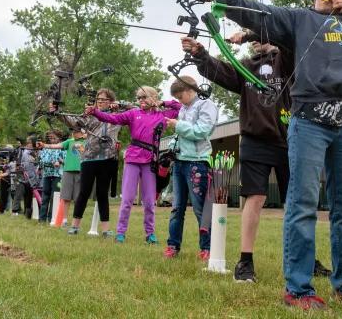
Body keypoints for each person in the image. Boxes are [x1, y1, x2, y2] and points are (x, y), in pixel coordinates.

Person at [207, 0, 342, 310]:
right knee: (303, 203)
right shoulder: (300, 20)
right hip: (309, 118)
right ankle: (298, 289)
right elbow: (259, 12)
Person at [180, 34, 330, 280]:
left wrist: (258, 31)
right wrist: (200, 54)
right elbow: (221, 70)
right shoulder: (246, 67)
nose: (254, 39)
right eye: (250, 33)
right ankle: (245, 262)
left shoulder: (286, 59)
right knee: (255, 198)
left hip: (291, 138)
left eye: (258, 29)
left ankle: (307, 259)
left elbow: (292, 41)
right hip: (254, 141)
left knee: (297, 202)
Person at [86, 86, 181, 244]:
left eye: (144, 97)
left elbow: (179, 107)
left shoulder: (163, 115)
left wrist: (162, 102)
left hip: (150, 160)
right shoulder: (133, 113)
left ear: (153, 98)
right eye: (139, 98)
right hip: (132, 159)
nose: (141, 100)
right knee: (128, 199)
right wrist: (95, 112)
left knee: (150, 201)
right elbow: (112, 119)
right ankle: (121, 232)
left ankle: (150, 234)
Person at [50, 88, 123, 235]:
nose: (100, 102)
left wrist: (119, 104)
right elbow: (72, 122)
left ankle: (105, 230)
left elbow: (135, 108)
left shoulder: (118, 116)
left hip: (108, 159)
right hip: (89, 158)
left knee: (102, 194)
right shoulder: (90, 115)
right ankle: (75, 226)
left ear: (111, 101)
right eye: (98, 99)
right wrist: (56, 112)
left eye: (104, 99)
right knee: (83, 192)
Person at [162, 76, 218, 260]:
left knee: (200, 208)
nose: (179, 101)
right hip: (179, 162)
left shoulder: (206, 105)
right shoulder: (184, 108)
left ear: (190, 90)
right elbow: (182, 134)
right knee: (176, 208)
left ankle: (207, 247)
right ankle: (173, 245)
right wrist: (172, 147)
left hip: (197, 162)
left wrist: (178, 125)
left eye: (180, 96)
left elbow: (202, 131)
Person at [37, 130, 65, 223]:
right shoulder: (45, 149)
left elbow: (65, 160)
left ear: (59, 138)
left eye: (54, 137)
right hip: (47, 175)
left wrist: (60, 162)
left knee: (55, 196)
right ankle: (42, 218)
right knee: (45, 196)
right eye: (50, 138)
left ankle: (52, 218)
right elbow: (41, 160)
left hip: (58, 175)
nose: (52, 139)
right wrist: (41, 166)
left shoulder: (62, 148)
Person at [12, 139, 40, 219]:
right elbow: (18, 163)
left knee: (29, 196)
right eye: (28, 143)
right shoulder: (22, 151)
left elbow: (38, 163)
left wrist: (36, 156)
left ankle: (28, 213)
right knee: (18, 194)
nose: (29, 145)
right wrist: (19, 167)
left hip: (33, 178)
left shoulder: (37, 152)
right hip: (22, 177)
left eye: (30, 143)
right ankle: (15, 211)